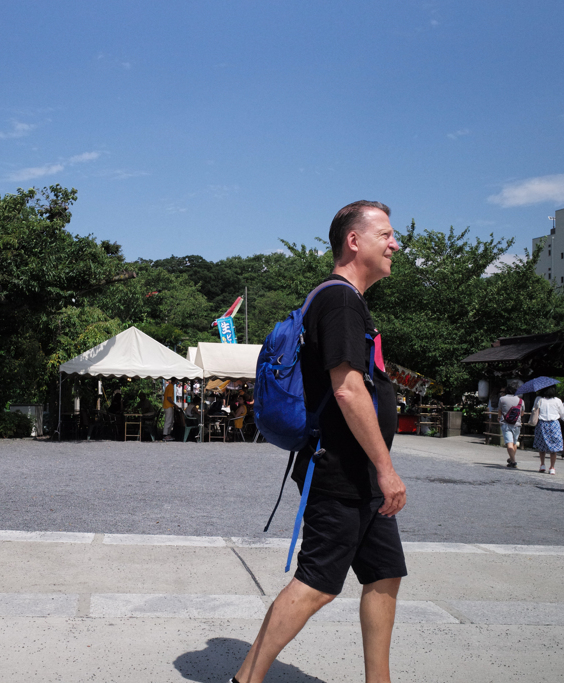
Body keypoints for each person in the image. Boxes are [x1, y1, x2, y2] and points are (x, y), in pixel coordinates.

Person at [231, 201, 406, 683]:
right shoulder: (341, 301)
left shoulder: (345, 301)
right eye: (386, 235)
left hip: (358, 472)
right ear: (354, 241)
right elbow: (347, 389)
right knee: (317, 583)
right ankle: (245, 680)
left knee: (384, 573)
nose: (395, 245)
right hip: (339, 470)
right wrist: (386, 468)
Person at [532, 386, 564, 475]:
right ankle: (552, 467)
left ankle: (542, 464)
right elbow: (563, 415)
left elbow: (534, 410)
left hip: (542, 424)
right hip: (554, 424)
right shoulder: (557, 400)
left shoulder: (539, 399)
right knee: (554, 447)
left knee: (542, 445)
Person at [498, 386, 524, 468]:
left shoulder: (502, 399)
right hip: (517, 424)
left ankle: (513, 461)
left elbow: (500, 411)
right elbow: (522, 413)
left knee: (509, 443)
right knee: (514, 443)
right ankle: (512, 459)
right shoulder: (521, 400)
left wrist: (499, 418)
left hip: (506, 423)